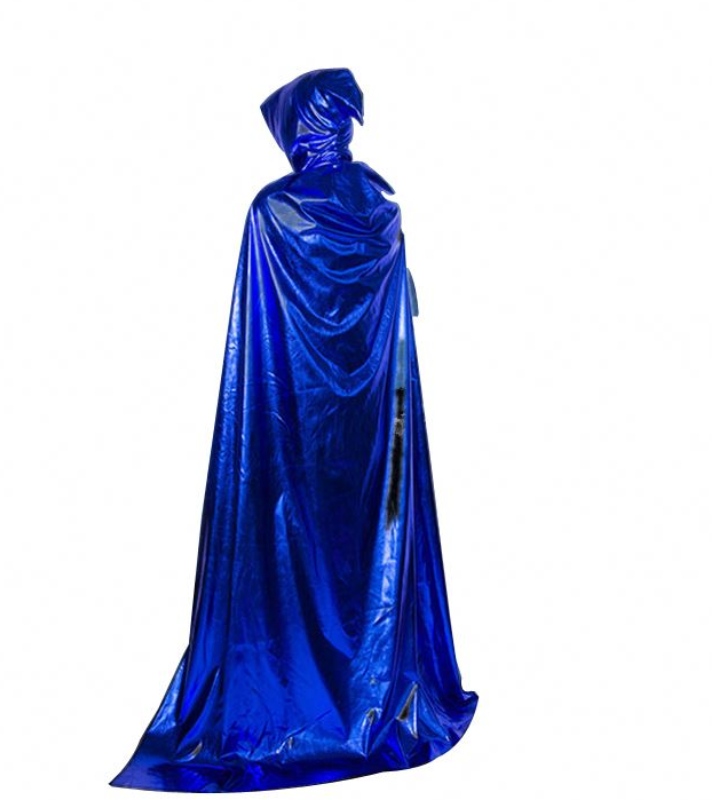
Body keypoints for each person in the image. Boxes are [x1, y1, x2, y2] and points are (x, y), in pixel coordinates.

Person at [110, 67, 478, 793]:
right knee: (368, 544)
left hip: (293, 431)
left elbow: (263, 341)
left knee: (287, 544)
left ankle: (286, 706)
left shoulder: (273, 210)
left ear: (298, 129)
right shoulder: (380, 204)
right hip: (372, 434)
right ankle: (373, 691)